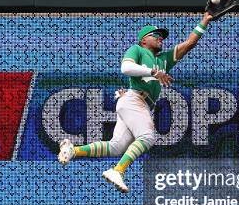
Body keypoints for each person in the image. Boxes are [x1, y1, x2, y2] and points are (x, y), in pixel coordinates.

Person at [58, 12, 214, 193]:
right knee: (147, 137)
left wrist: (204, 21)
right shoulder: (137, 50)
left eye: (162, 36)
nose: (160, 38)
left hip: (137, 103)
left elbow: (189, 44)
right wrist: (154, 73)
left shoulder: (163, 60)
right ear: (143, 40)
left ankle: (73, 151)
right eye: (155, 35)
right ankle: (118, 170)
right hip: (135, 99)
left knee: (116, 147)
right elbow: (126, 68)